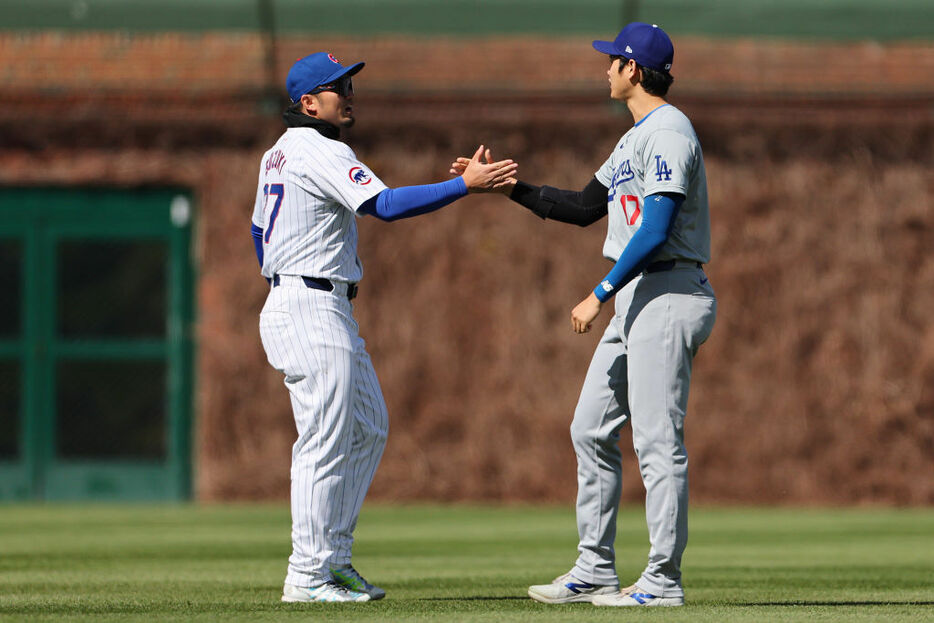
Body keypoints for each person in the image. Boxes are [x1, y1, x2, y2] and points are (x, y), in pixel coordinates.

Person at [452, 22, 716, 607]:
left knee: (656, 442)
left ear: (635, 72)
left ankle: (662, 582)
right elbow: (579, 207)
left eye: (612, 62)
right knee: (589, 428)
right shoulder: (632, 139)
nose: (605, 69)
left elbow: (656, 227)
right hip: (639, 296)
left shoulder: (670, 131)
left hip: (667, 291)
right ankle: (594, 569)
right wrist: (509, 188)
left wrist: (599, 291)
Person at [251, 52, 517, 603]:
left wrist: (278, 272)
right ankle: (306, 575)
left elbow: (258, 232)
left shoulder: (277, 155)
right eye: (337, 87)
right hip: (309, 305)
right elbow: (385, 205)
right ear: (308, 103)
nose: (348, 93)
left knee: (369, 425)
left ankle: (335, 559)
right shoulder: (321, 149)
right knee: (322, 441)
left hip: (316, 302)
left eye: (349, 83)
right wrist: (464, 186)